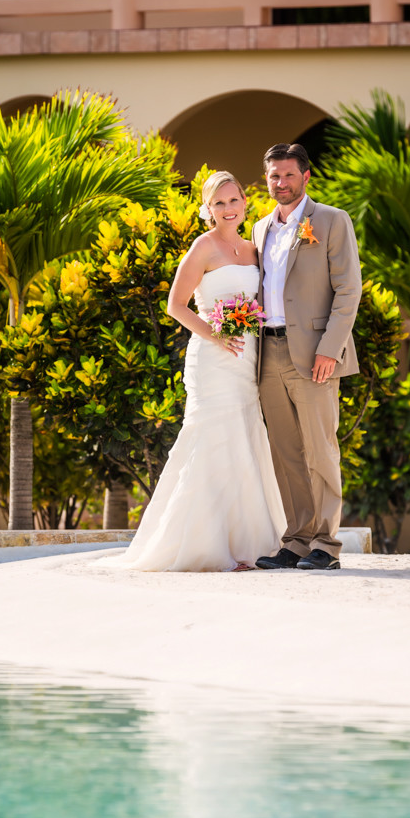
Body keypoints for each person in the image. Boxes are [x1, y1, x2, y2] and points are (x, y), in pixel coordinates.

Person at [121, 170, 285, 572]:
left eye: (233, 201)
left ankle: (248, 544)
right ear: (208, 209)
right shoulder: (203, 246)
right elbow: (175, 305)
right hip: (212, 359)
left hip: (246, 359)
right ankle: (202, 544)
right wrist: (216, 334)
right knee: (212, 437)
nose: (228, 209)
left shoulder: (254, 249)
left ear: (245, 202)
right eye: (219, 203)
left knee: (244, 439)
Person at [253, 143, 362, 571]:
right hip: (268, 353)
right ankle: (296, 541)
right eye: (274, 176)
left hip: (316, 355)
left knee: (320, 451)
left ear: (305, 177)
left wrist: (329, 351)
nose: (280, 183)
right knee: (286, 453)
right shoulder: (261, 229)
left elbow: (348, 291)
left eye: (288, 175)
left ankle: (326, 545)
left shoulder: (332, 221)